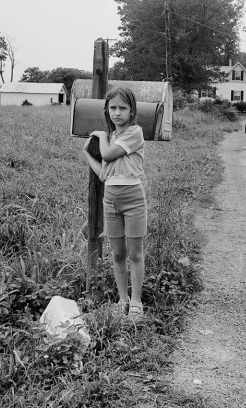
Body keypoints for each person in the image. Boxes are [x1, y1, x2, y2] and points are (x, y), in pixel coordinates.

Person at [82, 87, 147, 320]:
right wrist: (87, 154)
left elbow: (108, 155)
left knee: (135, 253)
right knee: (118, 254)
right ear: (107, 110)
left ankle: (137, 302)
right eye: (112, 108)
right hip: (110, 199)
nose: (117, 113)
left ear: (132, 111)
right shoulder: (113, 137)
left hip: (133, 198)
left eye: (123, 108)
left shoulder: (134, 132)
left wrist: (100, 136)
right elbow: (104, 174)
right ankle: (123, 300)